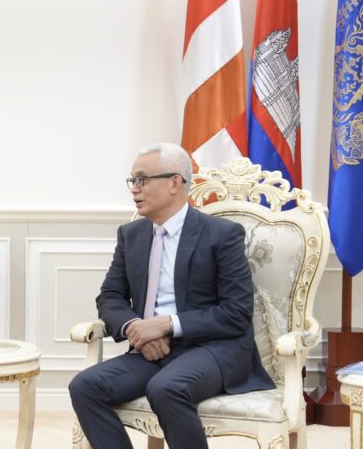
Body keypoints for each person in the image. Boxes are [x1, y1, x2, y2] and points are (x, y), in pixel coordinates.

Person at [68, 143, 273, 448]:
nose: (134, 189)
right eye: (133, 181)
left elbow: (236, 312)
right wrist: (137, 330)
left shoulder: (221, 234)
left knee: (166, 388)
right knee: (85, 386)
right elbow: (110, 297)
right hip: (150, 351)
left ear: (175, 182)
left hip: (214, 349)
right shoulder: (131, 235)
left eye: (142, 179)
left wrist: (165, 325)